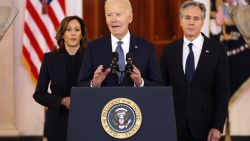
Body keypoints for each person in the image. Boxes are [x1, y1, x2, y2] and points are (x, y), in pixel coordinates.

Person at [160, 1, 229, 141]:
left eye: (196, 18)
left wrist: (217, 126)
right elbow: (162, 88)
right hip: (174, 127)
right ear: (180, 21)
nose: (191, 22)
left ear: (203, 21)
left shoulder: (218, 50)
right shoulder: (169, 50)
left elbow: (222, 91)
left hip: (205, 128)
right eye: (187, 18)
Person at [78, 0, 162, 87]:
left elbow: (159, 86)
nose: (113, 19)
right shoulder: (93, 48)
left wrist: (140, 83)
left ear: (130, 17)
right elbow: (81, 85)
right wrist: (94, 84)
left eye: (118, 14)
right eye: (109, 15)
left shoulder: (147, 48)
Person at [33, 16, 87, 141]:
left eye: (77, 30)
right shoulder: (50, 59)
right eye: (68, 29)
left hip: (85, 121)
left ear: (82, 34)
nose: (73, 33)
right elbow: (39, 94)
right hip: (57, 123)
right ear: (62, 34)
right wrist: (62, 101)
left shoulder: (91, 57)